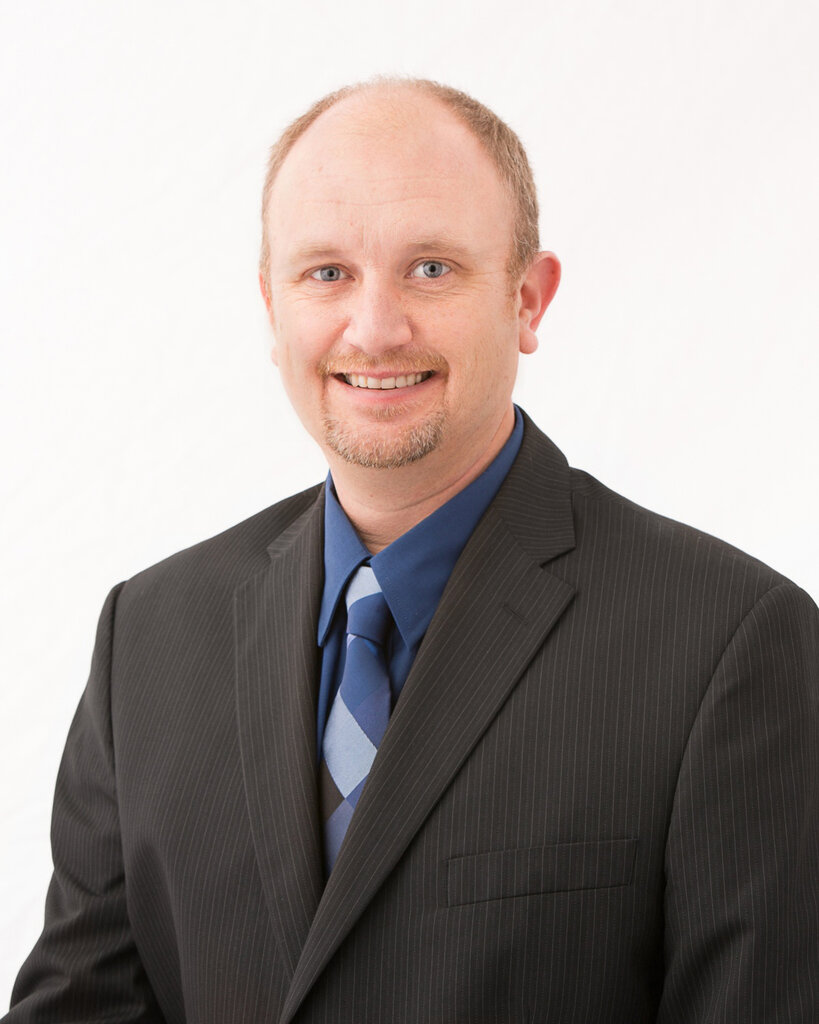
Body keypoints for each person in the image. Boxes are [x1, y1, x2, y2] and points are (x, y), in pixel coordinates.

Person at [5, 77, 818, 1023]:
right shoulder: (147, 639)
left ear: (527, 300)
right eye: (326, 273)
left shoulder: (730, 645)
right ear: (272, 307)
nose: (375, 328)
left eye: (431, 268)